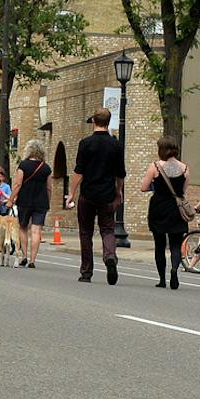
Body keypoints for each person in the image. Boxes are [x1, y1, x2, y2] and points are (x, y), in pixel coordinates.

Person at [68, 109, 125, 284]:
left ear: (94, 121)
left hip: (88, 194)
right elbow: (120, 173)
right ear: (109, 122)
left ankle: (86, 272)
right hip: (107, 194)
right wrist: (119, 191)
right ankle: (110, 255)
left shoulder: (85, 143)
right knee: (107, 229)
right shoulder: (116, 145)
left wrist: (71, 193)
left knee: (86, 232)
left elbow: (79, 172)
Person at [136, 138, 190, 288]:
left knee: (159, 245)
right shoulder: (185, 168)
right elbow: (183, 190)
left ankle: (162, 279)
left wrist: (156, 187)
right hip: (176, 208)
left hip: (159, 207)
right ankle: (174, 270)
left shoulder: (155, 167)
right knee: (175, 244)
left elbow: (143, 187)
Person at [9, 139, 50, 267]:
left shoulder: (23, 165)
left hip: (24, 201)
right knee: (36, 231)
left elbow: (18, 184)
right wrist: (48, 200)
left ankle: (24, 256)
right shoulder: (46, 168)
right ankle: (33, 260)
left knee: (23, 227)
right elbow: (49, 187)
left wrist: (11, 199)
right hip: (41, 202)